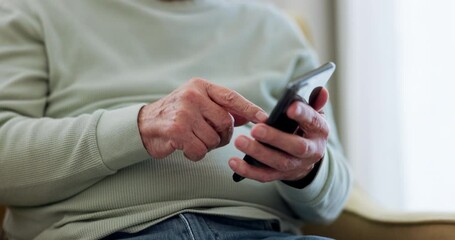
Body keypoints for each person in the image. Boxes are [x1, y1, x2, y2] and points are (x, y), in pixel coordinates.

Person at [0, 0, 352, 239]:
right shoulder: (32, 11)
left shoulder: (276, 28)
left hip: (261, 230)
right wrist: (139, 126)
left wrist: (306, 169)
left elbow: (333, 200)